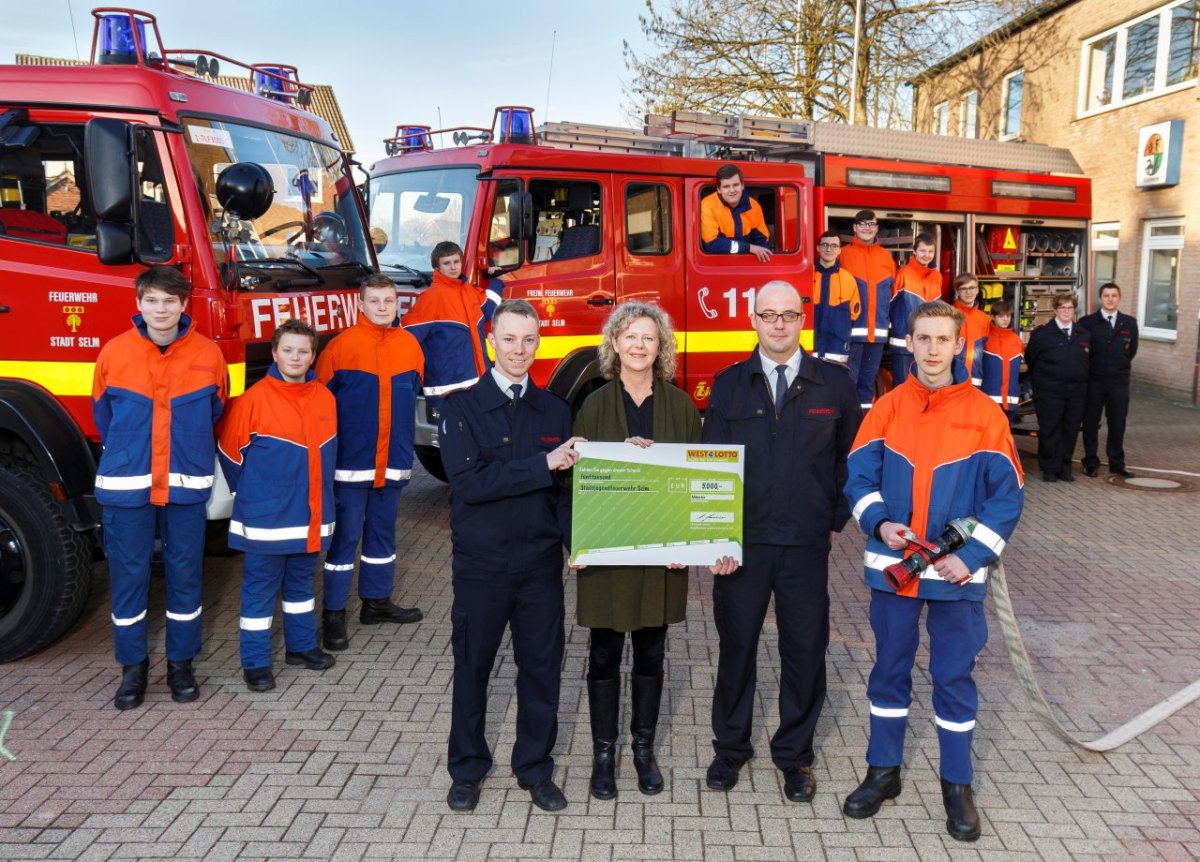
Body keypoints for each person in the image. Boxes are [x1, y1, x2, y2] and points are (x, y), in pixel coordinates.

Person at [842, 301, 1023, 843]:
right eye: (922, 338)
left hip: (955, 579)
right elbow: (857, 479)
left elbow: (1007, 499)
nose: (931, 349)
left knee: (953, 678)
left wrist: (968, 558)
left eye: (942, 339)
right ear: (910, 343)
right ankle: (883, 773)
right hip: (895, 571)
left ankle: (957, 784)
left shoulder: (985, 414)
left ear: (960, 345)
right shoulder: (886, 407)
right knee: (889, 672)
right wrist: (879, 525)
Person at [700, 280, 861, 803]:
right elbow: (709, 468)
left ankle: (795, 756)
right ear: (752, 317)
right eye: (767, 315)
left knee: (804, 652)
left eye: (788, 315)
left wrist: (832, 521)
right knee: (737, 648)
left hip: (804, 547)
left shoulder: (834, 385)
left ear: (802, 319)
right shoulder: (728, 386)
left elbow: (850, 463)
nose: (778, 325)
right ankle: (730, 748)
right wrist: (715, 538)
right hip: (741, 546)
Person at [439, 299, 583, 813]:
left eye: (528, 340)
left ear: (538, 343)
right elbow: (469, 483)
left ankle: (535, 769)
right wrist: (542, 462)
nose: (519, 350)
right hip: (482, 567)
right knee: (473, 667)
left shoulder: (555, 410)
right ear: (490, 342)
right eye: (509, 339)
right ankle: (467, 768)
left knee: (543, 669)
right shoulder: (459, 408)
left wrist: (578, 543)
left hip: (540, 566)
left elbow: (567, 492)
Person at [572, 301, 702, 800]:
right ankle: (604, 753)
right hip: (607, 552)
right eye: (630, 336)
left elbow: (697, 483)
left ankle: (643, 750)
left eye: (649, 337)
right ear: (615, 344)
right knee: (604, 654)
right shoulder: (593, 404)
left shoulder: (682, 407)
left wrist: (688, 545)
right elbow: (578, 483)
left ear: (661, 346)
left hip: (661, 555)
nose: (639, 345)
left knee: (651, 653)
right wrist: (578, 543)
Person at [92, 265, 228, 710]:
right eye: (152, 300)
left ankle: (180, 665)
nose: (161, 309)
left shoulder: (209, 354)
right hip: (127, 487)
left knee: (186, 578)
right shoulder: (114, 353)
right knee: (128, 580)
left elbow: (215, 412)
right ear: (138, 303)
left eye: (170, 301)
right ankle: (132, 671)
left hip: (185, 486)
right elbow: (104, 418)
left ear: (184, 305)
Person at [218, 319, 338, 692]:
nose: (295, 357)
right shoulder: (253, 399)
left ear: (313, 355)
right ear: (274, 353)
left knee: (302, 584)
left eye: (303, 351)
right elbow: (229, 454)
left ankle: (301, 647)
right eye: (288, 350)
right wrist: (255, 497)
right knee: (259, 590)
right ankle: (254, 663)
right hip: (266, 519)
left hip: (310, 516)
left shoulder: (324, 397)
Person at [316, 275, 425, 651]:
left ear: (397, 304)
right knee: (344, 540)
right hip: (351, 464)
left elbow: (413, 395)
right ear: (360, 305)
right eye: (375, 301)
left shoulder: (411, 346)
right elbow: (319, 405)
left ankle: (375, 603)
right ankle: (333, 615)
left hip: (392, 463)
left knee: (383, 536)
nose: (382, 307)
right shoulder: (340, 348)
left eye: (388, 301)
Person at [403, 240, 501, 403]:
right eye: (447, 263)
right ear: (437, 267)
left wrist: (496, 281)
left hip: (477, 385)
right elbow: (406, 338)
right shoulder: (431, 298)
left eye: (456, 262)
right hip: (446, 390)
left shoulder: (469, 291)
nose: (453, 267)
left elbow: (490, 308)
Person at [1025, 293, 1091, 482]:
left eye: (1069, 308)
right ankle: (1049, 468)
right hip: (1049, 391)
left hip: (1076, 392)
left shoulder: (1083, 334)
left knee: (1070, 429)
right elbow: (1031, 359)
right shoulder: (1042, 335)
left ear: (1074, 310)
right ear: (1055, 310)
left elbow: (1089, 361)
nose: (1066, 311)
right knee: (1050, 429)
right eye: (1062, 308)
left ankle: (1065, 466)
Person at [1078, 283, 1138, 478]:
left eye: (1114, 295)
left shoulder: (1129, 323)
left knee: (1118, 422)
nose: (1110, 299)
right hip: (1094, 381)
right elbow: (1082, 352)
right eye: (1106, 295)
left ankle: (1117, 464)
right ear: (1100, 298)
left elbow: (1131, 351)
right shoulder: (1087, 322)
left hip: (1118, 382)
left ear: (1119, 298)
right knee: (1090, 423)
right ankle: (1090, 463)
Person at [839, 210, 895, 411]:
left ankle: (863, 427)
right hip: (851, 335)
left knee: (866, 386)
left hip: (877, 336)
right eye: (862, 224)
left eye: (871, 224)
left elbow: (893, 295)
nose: (867, 228)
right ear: (854, 228)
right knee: (848, 384)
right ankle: (848, 429)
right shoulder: (844, 255)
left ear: (877, 228)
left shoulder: (886, 257)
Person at [888, 232, 943, 385]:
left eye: (930, 251)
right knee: (904, 388)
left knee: (924, 389)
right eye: (923, 251)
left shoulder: (937, 277)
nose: (927, 255)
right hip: (903, 344)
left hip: (927, 346)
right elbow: (889, 306)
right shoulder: (903, 274)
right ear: (914, 252)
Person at [699, 164, 772, 261]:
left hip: (746, 264)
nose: (732, 190)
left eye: (735, 185)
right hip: (717, 265)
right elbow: (712, 244)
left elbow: (762, 240)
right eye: (726, 186)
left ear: (742, 185)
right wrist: (749, 248)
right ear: (718, 189)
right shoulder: (708, 205)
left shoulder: (753, 206)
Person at [811, 230, 861, 367]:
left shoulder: (848, 279)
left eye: (834, 246)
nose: (829, 249)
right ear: (818, 248)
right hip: (809, 347)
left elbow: (854, 314)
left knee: (835, 387)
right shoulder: (807, 276)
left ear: (839, 250)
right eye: (825, 245)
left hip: (837, 349)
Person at [980, 300, 1024, 417]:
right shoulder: (985, 339)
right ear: (993, 317)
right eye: (1001, 316)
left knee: (1006, 434)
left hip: (1010, 402)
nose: (1005, 319)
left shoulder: (1017, 341)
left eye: (1008, 316)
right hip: (988, 401)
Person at [951, 274, 990, 387]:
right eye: (963, 289)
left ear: (977, 290)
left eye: (972, 288)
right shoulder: (949, 315)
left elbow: (986, 351)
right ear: (957, 291)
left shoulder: (984, 319)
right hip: (952, 378)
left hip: (975, 380)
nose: (968, 292)